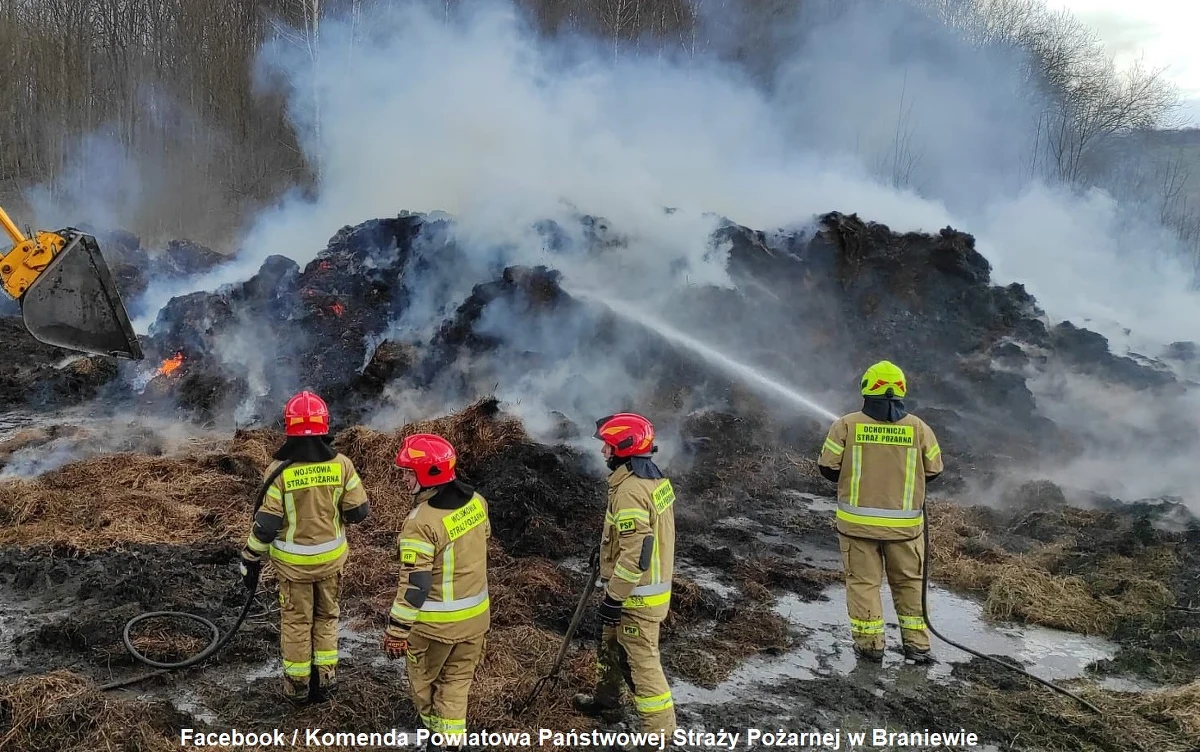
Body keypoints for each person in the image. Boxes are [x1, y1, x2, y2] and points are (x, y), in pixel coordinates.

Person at [239, 390, 370, 702]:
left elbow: (266, 525)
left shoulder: (279, 471)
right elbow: (358, 511)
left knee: (297, 623)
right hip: (330, 563)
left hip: (294, 568)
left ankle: (297, 686)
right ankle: (325, 678)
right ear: (325, 425)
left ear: (289, 427)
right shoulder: (342, 465)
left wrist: (250, 556)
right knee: (327, 618)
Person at [817, 360, 944, 663]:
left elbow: (828, 468)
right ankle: (918, 647)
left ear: (866, 389)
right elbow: (934, 470)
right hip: (905, 530)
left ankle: (870, 647)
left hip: (857, 528)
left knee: (863, 585)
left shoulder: (846, 425)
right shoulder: (919, 428)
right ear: (901, 390)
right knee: (910, 584)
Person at [383, 434, 491, 752]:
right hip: (475, 621)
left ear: (427, 474)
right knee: (456, 684)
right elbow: (483, 537)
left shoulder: (421, 523)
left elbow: (415, 585)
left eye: (408, 472)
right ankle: (451, 743)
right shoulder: (477, 502)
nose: (403, 478)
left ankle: (435, 739)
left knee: (425, 686)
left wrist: (396, 631)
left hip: (434, 628)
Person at [574, 412, 677, 745]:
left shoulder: (630, 490)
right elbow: (638, 535)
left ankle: (659, 736)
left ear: (623, 448)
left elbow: (637, 552)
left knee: (641, 664)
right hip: (639, 588)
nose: (603, 451)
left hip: (636, 596)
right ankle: (607, 703)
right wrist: (605, 551)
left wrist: (614, 597)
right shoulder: (650, 479)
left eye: (607, 445)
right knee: (609, 645)